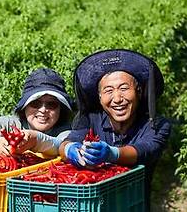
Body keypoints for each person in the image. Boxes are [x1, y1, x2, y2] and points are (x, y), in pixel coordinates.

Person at [59, 49, 171, 211]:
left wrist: (112, 153)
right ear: (99, 97)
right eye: (108, 91)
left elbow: (145, 150)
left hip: (134, 204)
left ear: (139, 92)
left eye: (124, 88)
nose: (117, 99)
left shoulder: (156, 124)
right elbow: (66, 143)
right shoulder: (91, 119)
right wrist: (70, 149)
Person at [0, 68, 74, 157]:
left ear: (61, 108)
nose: (43, 110)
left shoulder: (65, 131)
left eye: (51, 104)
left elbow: (60, 146)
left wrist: (36, 139)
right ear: (25, 105)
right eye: (35, 103)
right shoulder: (9, 124)